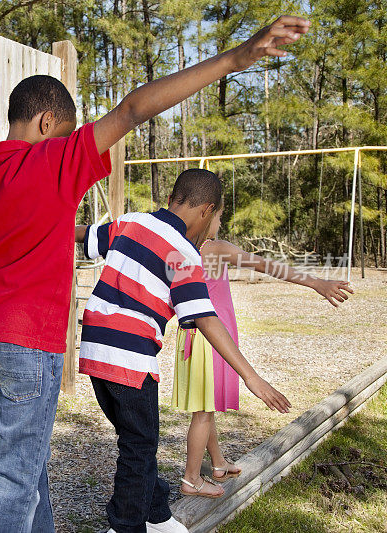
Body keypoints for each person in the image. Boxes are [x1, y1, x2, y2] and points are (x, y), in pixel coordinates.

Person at [0, 15, 311, 533]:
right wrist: (237, 58)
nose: (66, 141)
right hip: (28, 342)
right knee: (13, 480)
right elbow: (133, 109)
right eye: (62, 133)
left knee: (27, 465)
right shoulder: (52, 163)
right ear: (46, 124)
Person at [75, 170, 292, 533]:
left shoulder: (133, 221)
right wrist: (252, 377)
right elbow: (205, 318)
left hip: (95, 348)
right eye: (218, 217)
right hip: (130, 358)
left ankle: (157, 514)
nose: (214, 226)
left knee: (138, 438)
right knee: (138, 447)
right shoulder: (183, 255)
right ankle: (125, 526)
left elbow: (84, 236)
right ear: (207, 210)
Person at [173, 203, 352, 499]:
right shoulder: (216, 248)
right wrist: (316, 282)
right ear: (208, 216)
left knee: (205, 406)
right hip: (211, 340)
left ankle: (218, 464)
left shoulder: (178, 250)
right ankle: (191, 480)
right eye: (219, 217)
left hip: (190, 337)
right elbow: (268, 266)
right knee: (203, 413)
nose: (220, 223)